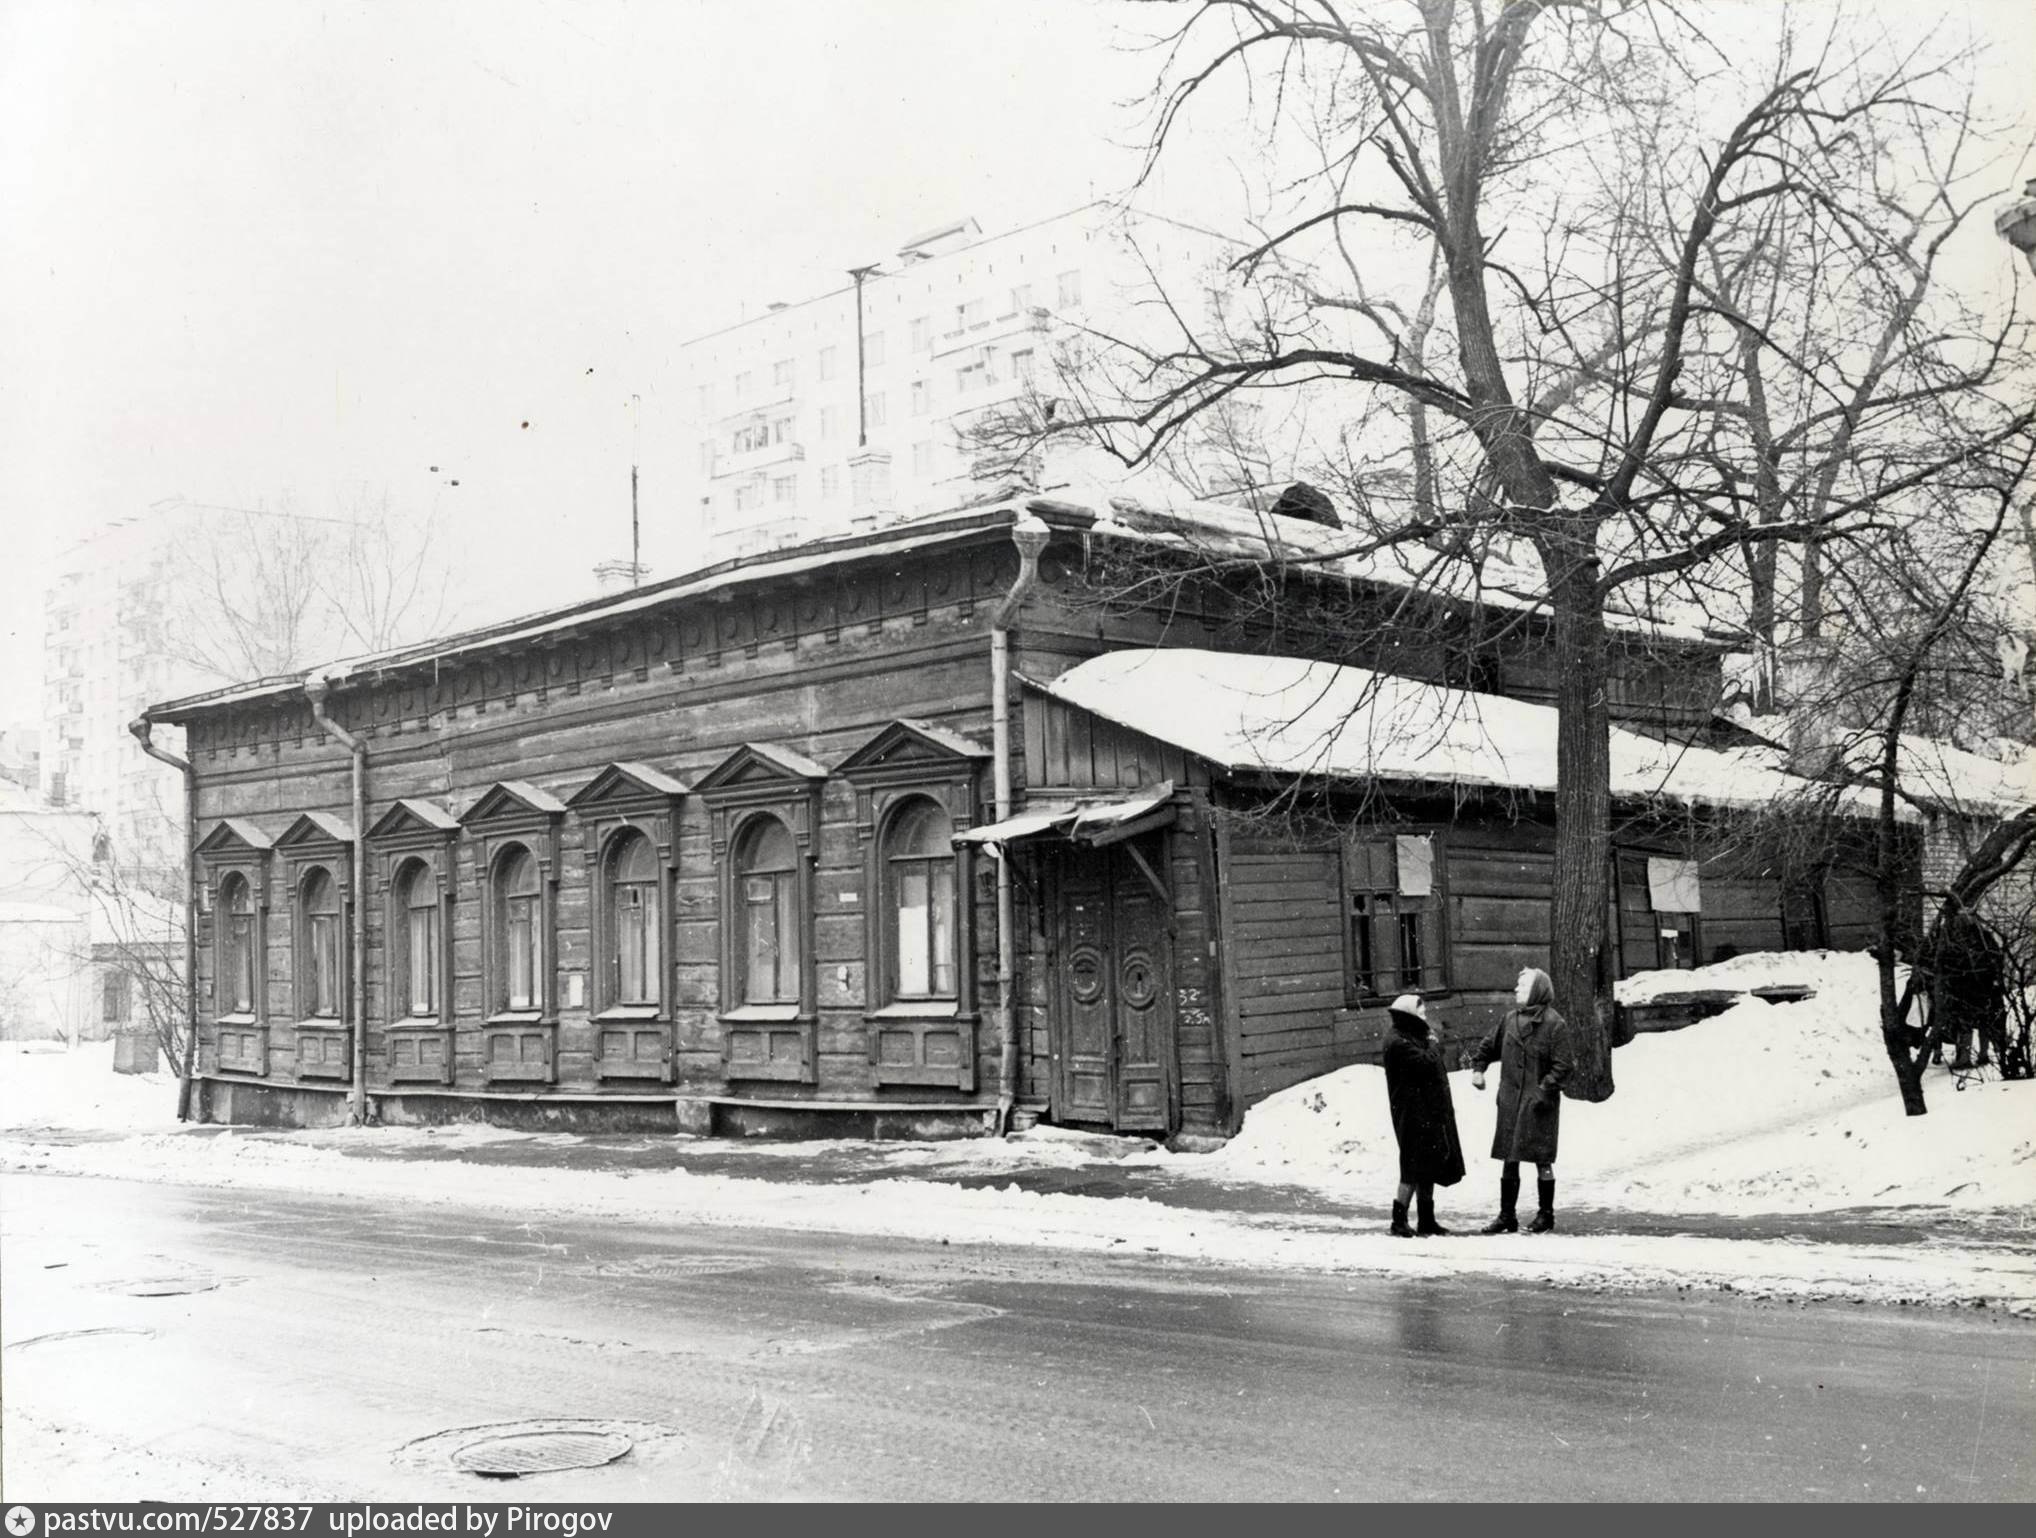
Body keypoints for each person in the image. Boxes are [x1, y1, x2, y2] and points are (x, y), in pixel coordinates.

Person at [1469, 966, 1573, 1234]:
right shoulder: (1508, 1020)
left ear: (1538, 991)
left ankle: (1545, 1215)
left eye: (1523, 986)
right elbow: (1487, 1046)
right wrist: (1478, 1069)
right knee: (1509, 1157)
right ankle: (1507, 1216)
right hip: (1510, 1101)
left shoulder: (1554, 1024)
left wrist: (1543, 1090)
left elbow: (1563, 1066)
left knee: (1542, 1158)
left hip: (1539, 1104)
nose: (1516, 989)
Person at [1382, 993, 1466, 1237]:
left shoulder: (1411, 1037)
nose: (1425, 1018)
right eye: (1421, 1014)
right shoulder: (1398, 1042)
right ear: (1409, 1015)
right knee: (1411, 1165)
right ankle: (1398, 1220)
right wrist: (1434, 1045)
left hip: (1425, 1111)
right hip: (1410, 1112)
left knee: (1426, 1164)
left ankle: (1426, 1220)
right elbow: (1425, 1063)